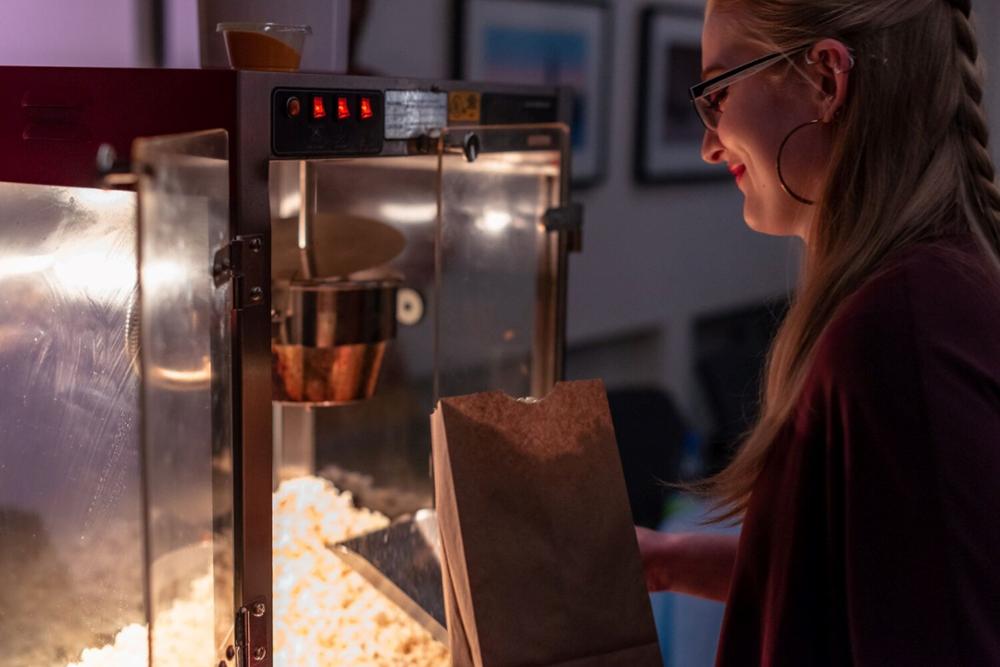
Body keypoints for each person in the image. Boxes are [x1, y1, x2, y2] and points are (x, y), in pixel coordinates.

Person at [637, 0, 1000, 664]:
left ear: (825, 81)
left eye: (719, 92)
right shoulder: (922, 293)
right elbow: (870, 564)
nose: (709, 142)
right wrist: (669, 560)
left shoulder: (897, 332)